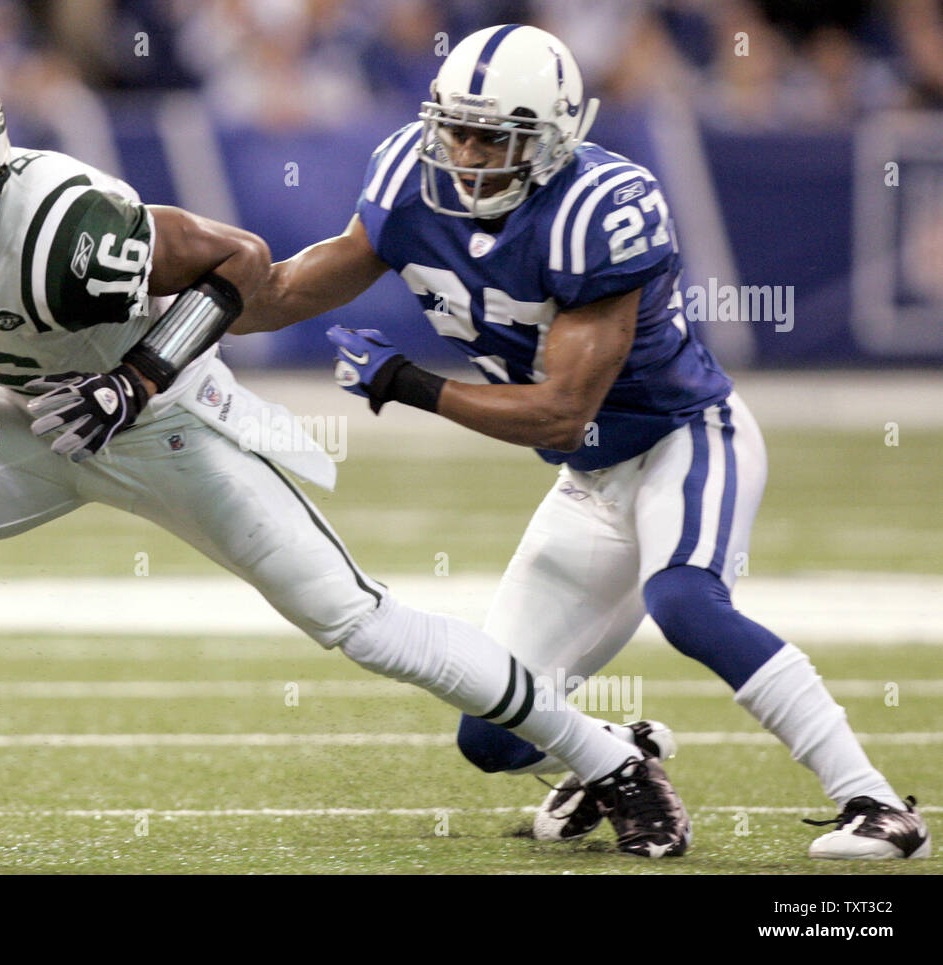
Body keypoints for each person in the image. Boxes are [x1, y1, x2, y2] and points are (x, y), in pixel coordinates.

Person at [0, 54, 690, 856]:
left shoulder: (66, 230)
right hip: (37, 415)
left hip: (168, 425)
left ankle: (609, 758)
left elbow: (240, 262)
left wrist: (136, 378)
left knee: (360, 621)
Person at [229, 25, 930, 861]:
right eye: (455, 128)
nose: (467, 152)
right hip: (589, 483)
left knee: (686, 604)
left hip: (682, 436)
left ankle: (878, 805)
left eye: (495, 136)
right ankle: (614, 755)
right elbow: (285, 291)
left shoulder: (602, 208)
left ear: (554, 139)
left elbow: (562, 411)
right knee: (492, 733)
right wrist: (167, 307)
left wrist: (408, 384)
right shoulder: (409, 179)